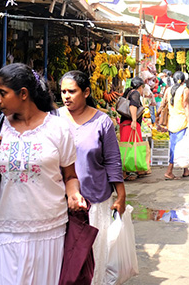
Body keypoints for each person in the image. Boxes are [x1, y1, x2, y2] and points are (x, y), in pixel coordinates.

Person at [0, 63, 86, 285]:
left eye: (2, 93)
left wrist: (74, 195)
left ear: (23, 94)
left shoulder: (58, 129)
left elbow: (70, 176)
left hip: (49, 228)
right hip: (7, 227)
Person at [55, 70, 126, 285]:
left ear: (86, 92)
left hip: (95, 201)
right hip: (60, 202)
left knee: (93, 257)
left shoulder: (102, 121)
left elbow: (113, 160)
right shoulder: (53, 119)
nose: (66, 96)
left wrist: (121, 195)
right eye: (63, 91)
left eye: (72, 91)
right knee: (64, 260)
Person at [164, 71, 189, 180]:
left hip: (172, 122)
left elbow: (163, 104)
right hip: (182, 122)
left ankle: (186, 170)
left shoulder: (168, 90)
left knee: (177, 146)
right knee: (177, 148)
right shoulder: (185, 90)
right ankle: (169, 171)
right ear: (183, 80)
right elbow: (186, 107)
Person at [119, 77, 145, 181]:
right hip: (130, 124)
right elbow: (133, 106)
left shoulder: (128, 92)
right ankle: (124, 173)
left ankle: (139, 169)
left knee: (128, 146)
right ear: (140, 86)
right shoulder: (135, 93)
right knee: (131, 147)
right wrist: (134, 120)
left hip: (125, 123)